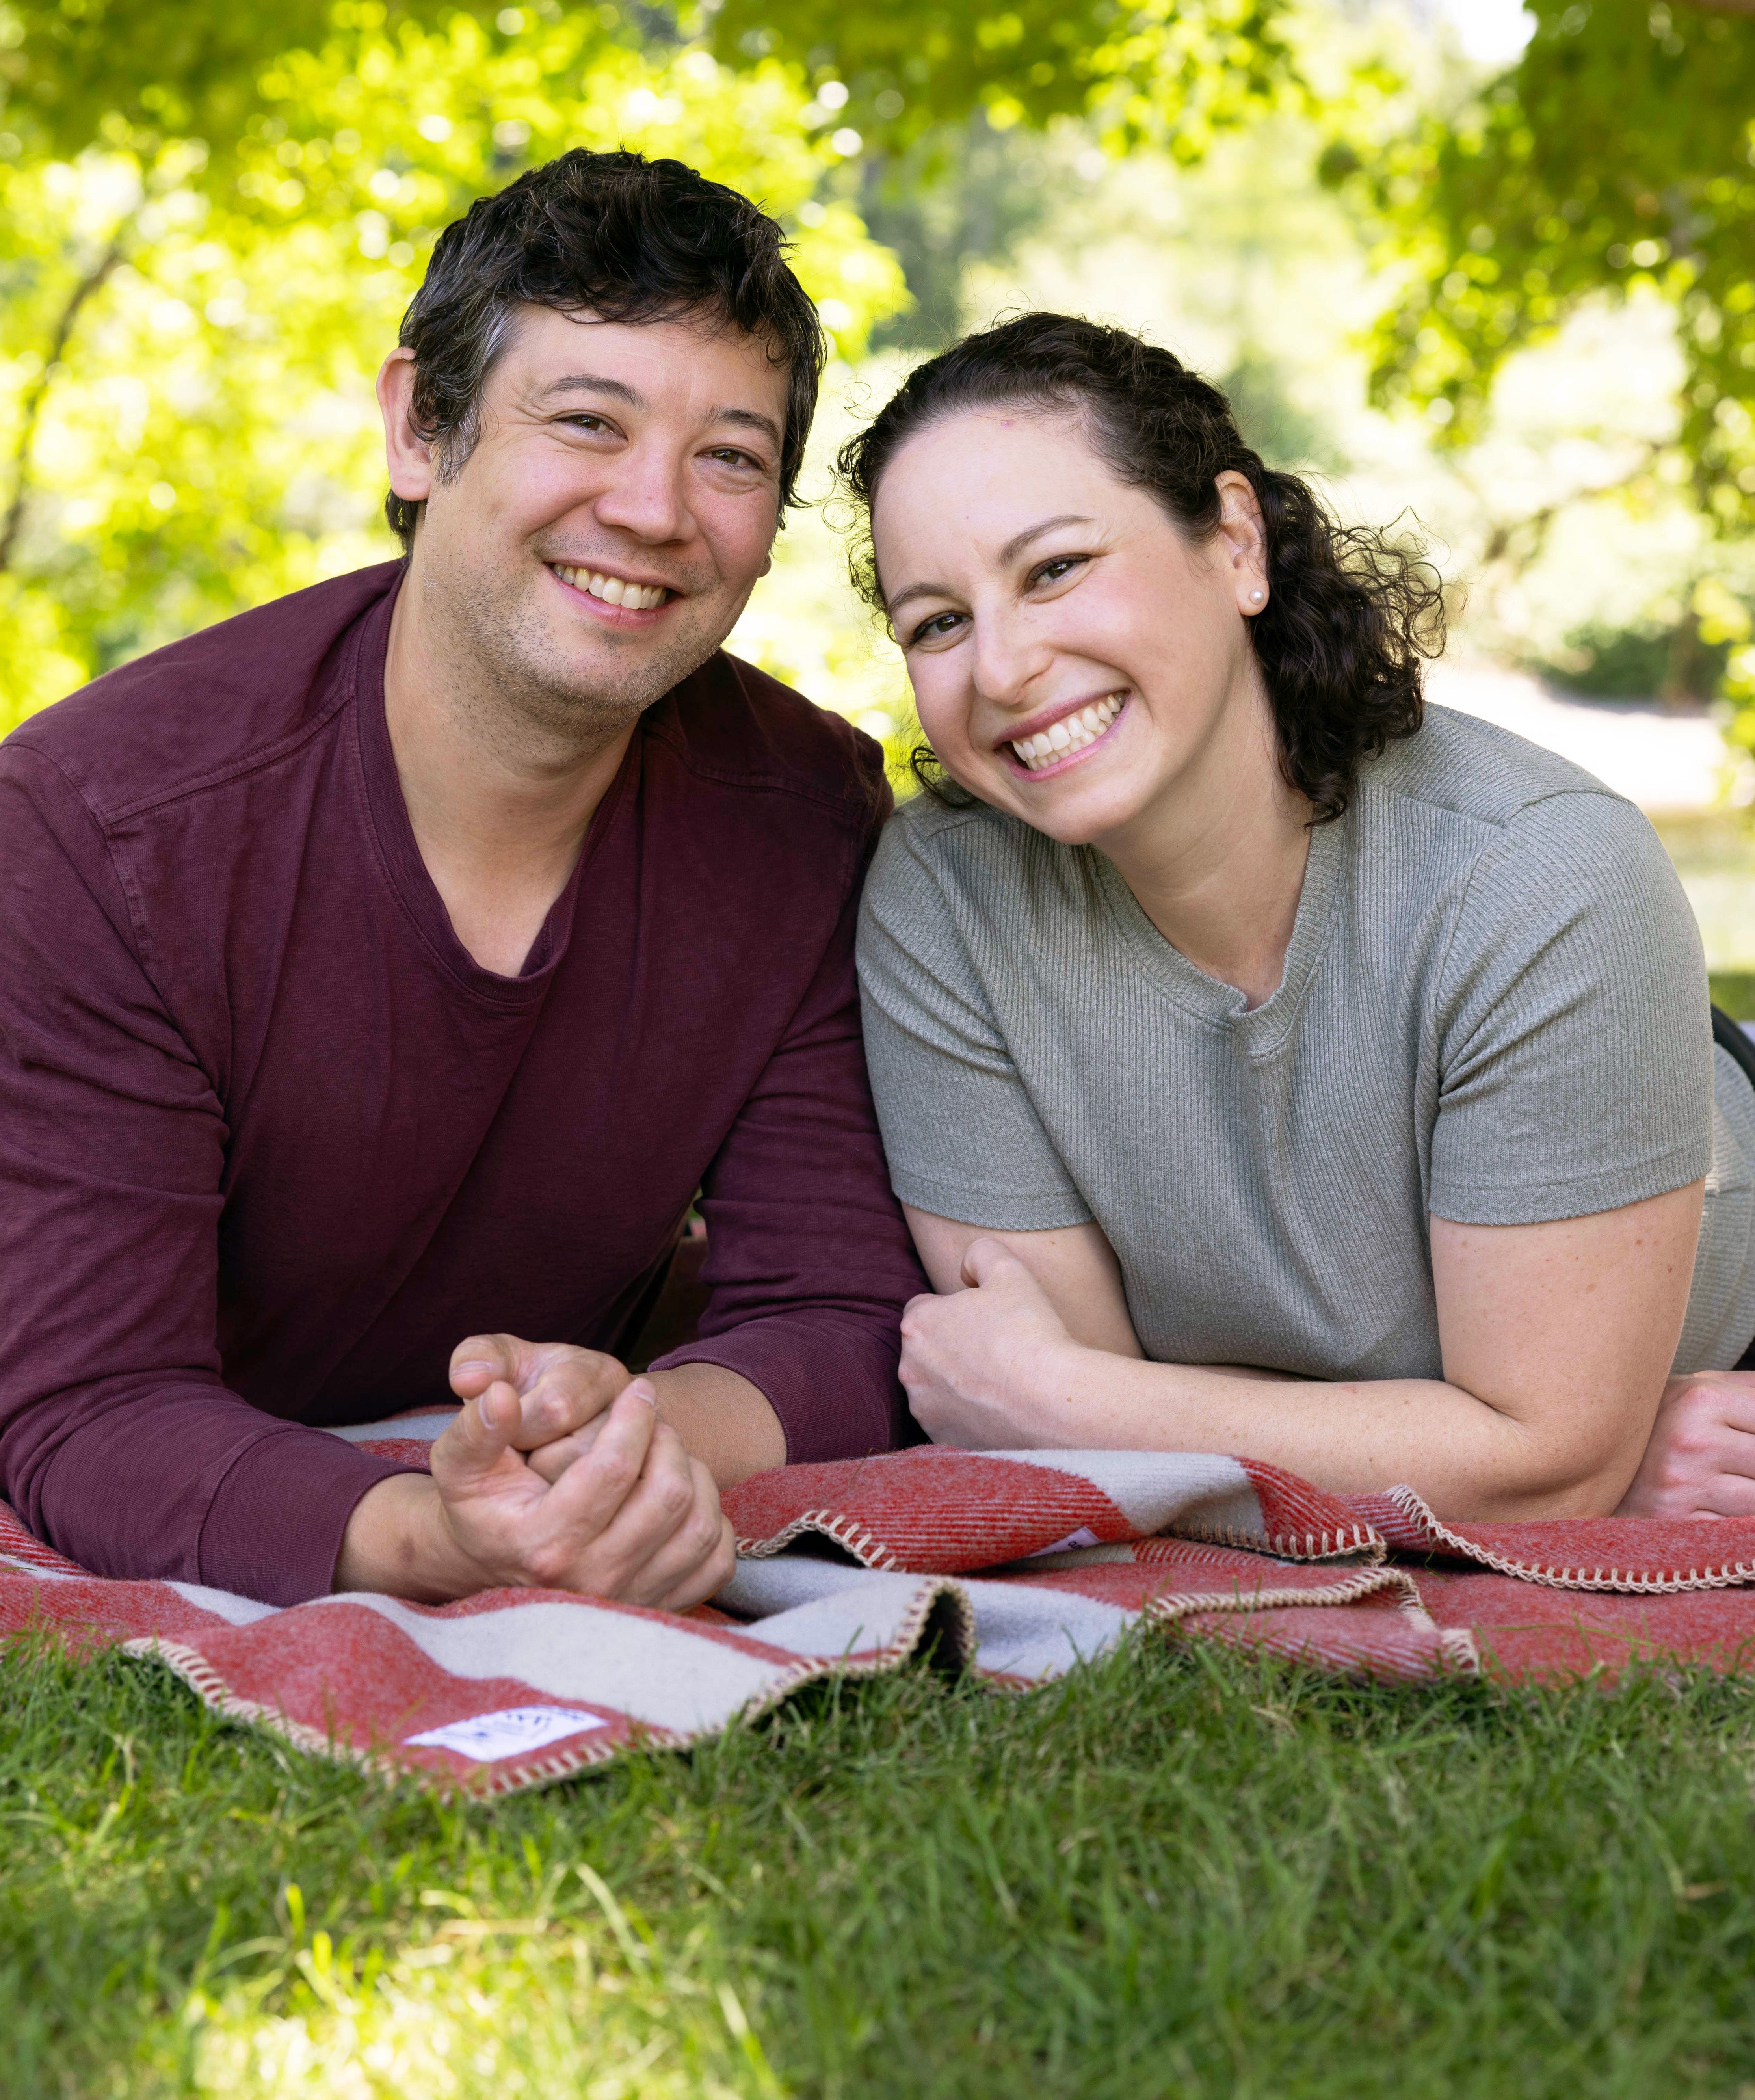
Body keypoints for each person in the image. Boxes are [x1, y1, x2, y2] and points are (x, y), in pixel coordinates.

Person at [0, 148, 925, 1609]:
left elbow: (838, 1305)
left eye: (732, 458)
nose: (654, 510)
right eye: (588, 421)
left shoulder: (804, 815)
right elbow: (89, 1406)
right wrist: (445, 1541)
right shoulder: (97, 827)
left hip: (532, 1432)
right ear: (421, 428)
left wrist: (630, 1456)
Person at [847, 310, 1755, 1522]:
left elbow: (1060, 1409)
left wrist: (1537, 1461)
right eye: (938, 623)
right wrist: (1494, 1459)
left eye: (1055, 569)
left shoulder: (1541, 874)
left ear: (1235, 543)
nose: (1002, 670)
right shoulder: (943, 900)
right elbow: (1097, 1440)